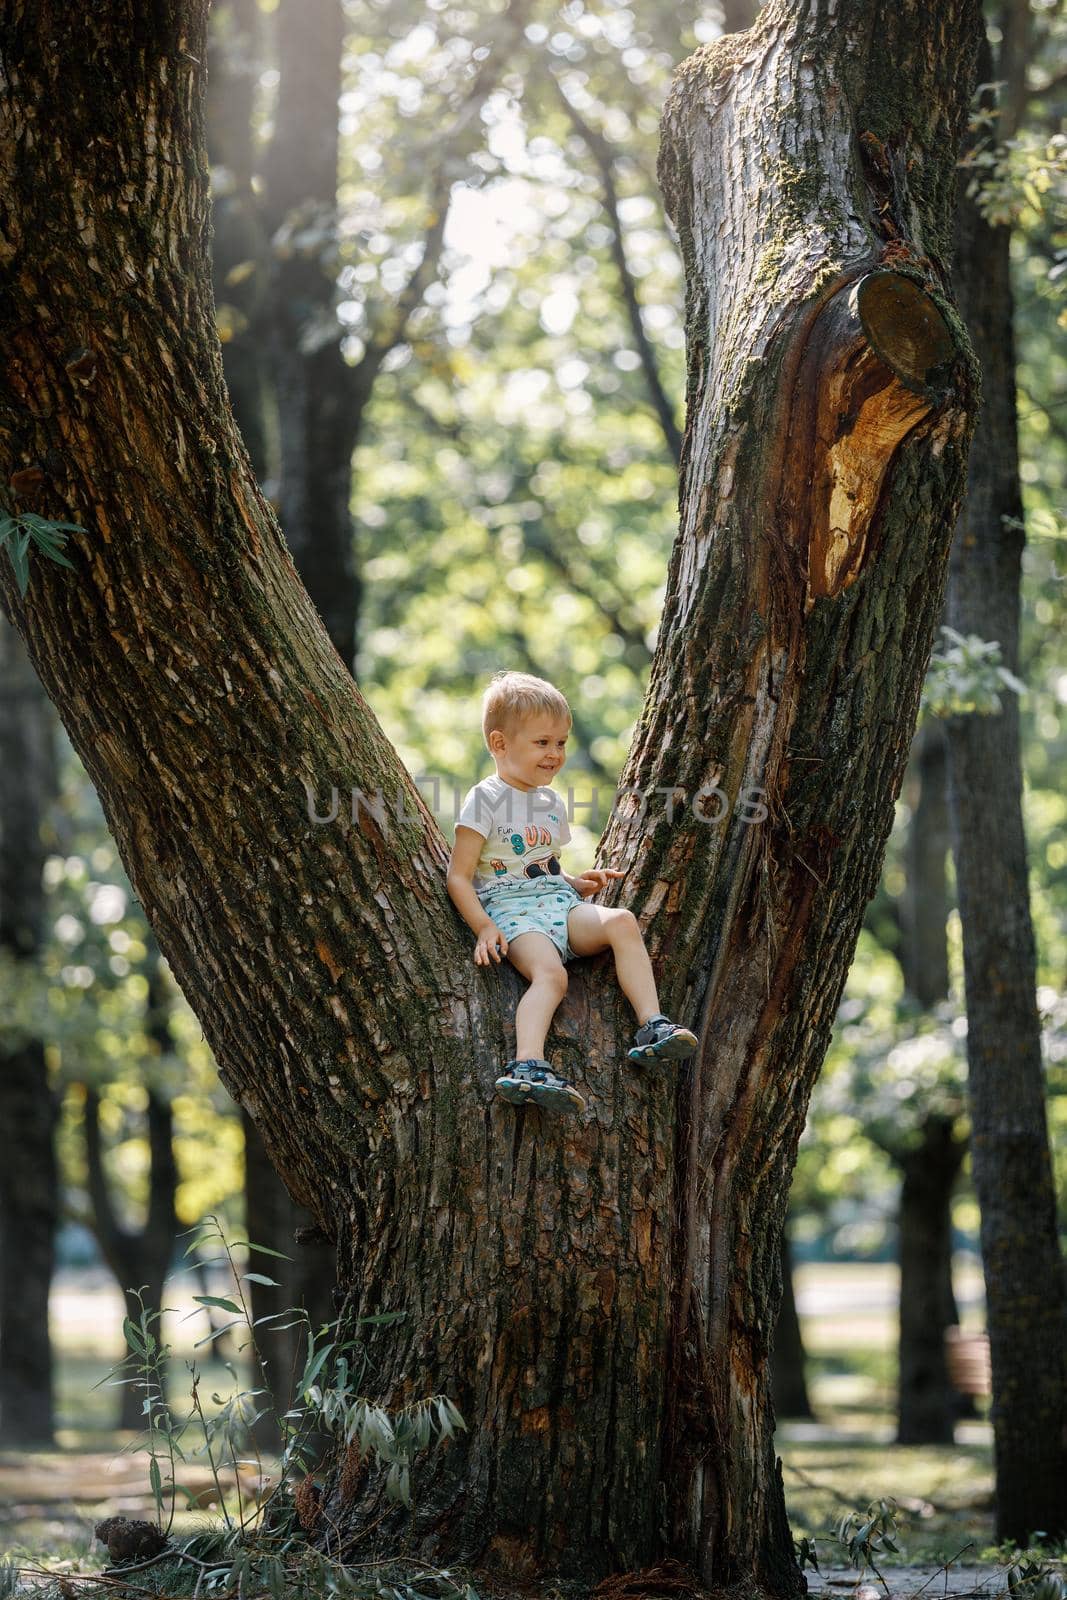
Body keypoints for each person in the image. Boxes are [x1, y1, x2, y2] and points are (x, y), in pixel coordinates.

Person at [446, 670, 698, 1116]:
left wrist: (574, 882)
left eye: (560, 743)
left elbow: (538, 865)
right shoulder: (483, 799)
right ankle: (528, 1065)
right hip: (513, 915)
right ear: (500, 744)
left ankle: (653, 1026)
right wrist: (483, 926)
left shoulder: (549, 803)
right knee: (552, 976)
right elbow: (460, 876)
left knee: (621, 921)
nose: (555, 754)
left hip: (558, 904)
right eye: (542, 743)